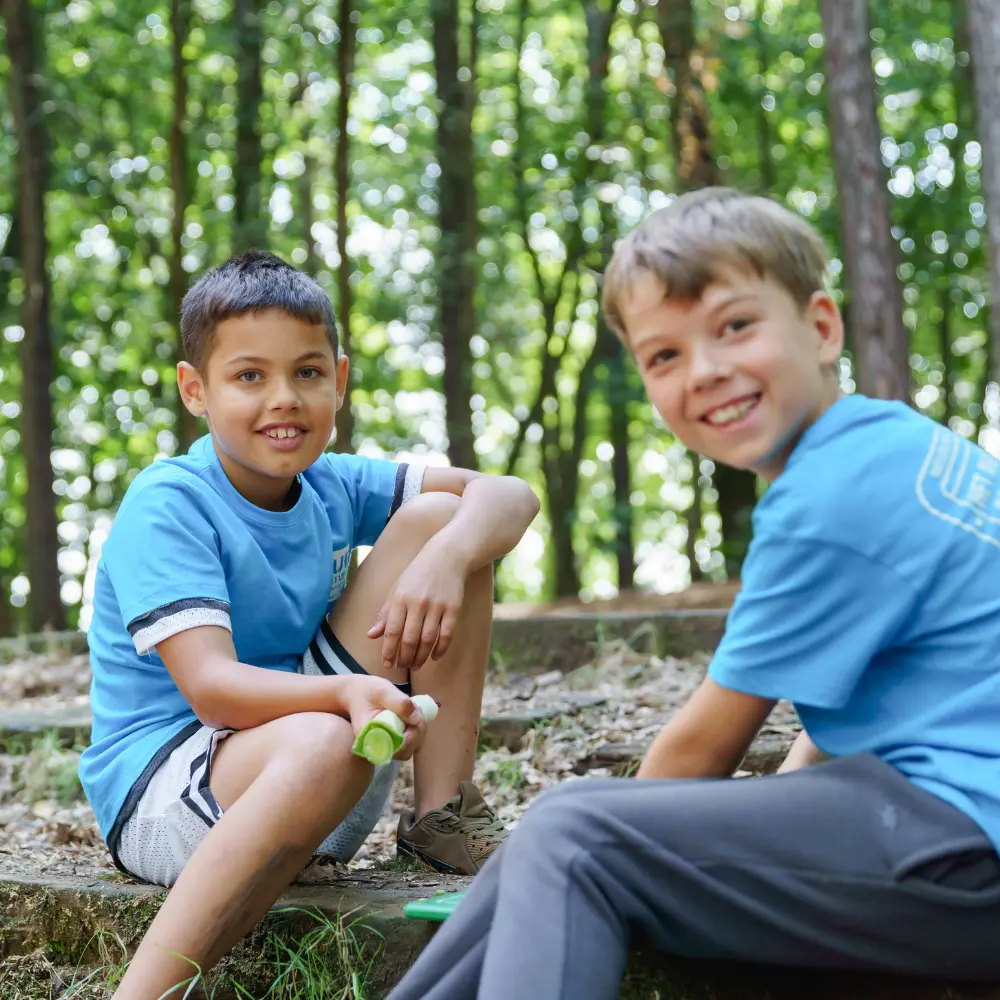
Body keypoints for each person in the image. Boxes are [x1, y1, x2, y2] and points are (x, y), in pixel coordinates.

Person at [387, 187, 1000, 1000]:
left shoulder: (828, 501)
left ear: (820, 327)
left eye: (735, 327)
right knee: (567, 840)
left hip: (965, 848)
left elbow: (699, 753)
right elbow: (831, 725)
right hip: (937, 820)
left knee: (573, 832)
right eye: (664, 355)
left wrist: (608, 848)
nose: (705, 371)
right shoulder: (888, 445)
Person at [79, 250, 539, 1000]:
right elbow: (214, 692)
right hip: (169, 799)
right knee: (327, 735)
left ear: (340, 379)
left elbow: (510, 494)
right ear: (195, 390)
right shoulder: (169, 503)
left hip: (316, 767)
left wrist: (449, 556)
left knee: (445, 519)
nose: (284, 399)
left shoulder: (328, 481)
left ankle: (440, 815)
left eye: (308, 373)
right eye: (249, 376)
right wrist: (347, 693)